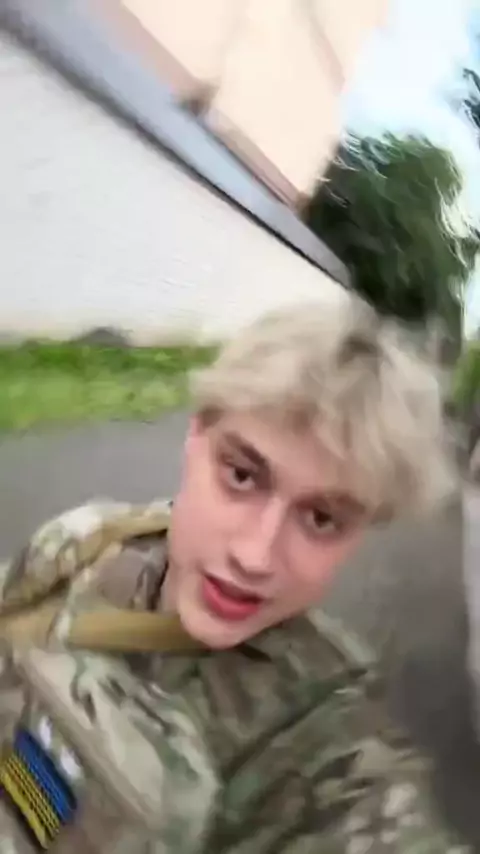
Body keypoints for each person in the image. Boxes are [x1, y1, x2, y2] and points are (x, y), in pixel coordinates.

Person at [0, 294, 465, 853]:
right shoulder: (82, 540)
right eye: (242, 476)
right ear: (196, 434)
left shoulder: (319, 749)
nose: (255, 555)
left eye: (321, 518)